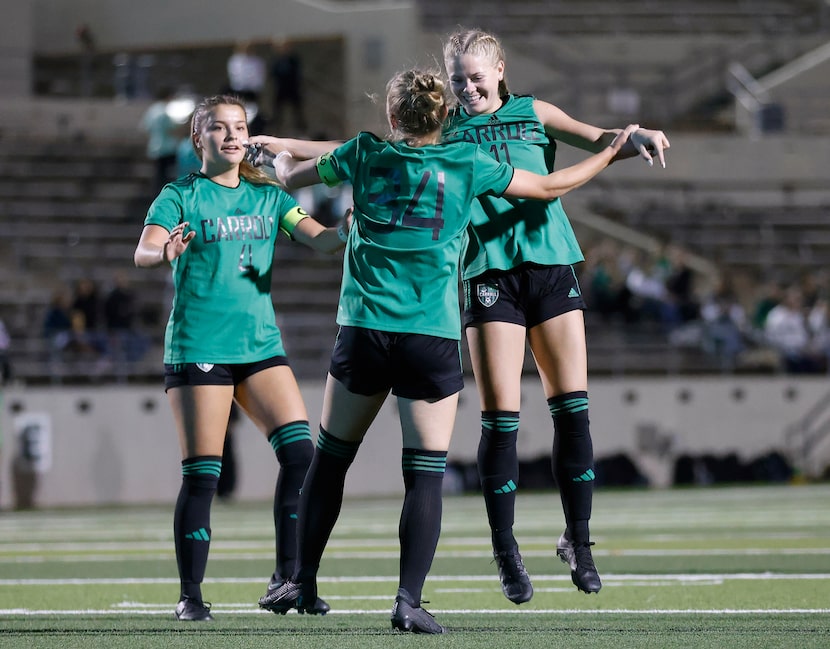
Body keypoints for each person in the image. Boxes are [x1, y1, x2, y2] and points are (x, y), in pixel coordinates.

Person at [247, 69, 636, 633]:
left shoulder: (364, 153)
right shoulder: (466, 164)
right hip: (429, 336)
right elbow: (549, 188)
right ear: (442, 118)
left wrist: (278, 156)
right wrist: (611, 153)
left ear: (390, 117)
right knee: (425, 475)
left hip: (363, 329)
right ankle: (407, 601)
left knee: (331, 459)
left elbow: (292, 175)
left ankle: (299, 580)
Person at [441, 28, 670, 603]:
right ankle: (506, 550)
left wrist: (636, 133)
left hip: (551, 266)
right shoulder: (443, 131)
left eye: (477, 75)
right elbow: (375, 148)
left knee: (573, 410)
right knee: (502, 419)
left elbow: (600, 137)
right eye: (458, 79)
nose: (468, 87)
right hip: (488, 273)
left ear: (498, 70)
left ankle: (581, 541)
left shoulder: (533, 111)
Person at [133, 94, 347, 622]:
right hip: (199, 348)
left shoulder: (269, 195)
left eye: (240, 126)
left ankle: (289, 580)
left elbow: (321, 243)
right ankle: (191, 595)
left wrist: (357, 226)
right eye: (219, 128)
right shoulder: (179, 194)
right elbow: (143, 251)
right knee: (203, 474)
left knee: (302, 458)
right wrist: (164, 253)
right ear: (197, 138)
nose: (232, 136)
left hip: (261, 349)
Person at [140, 87, 180, 193]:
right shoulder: (167, 111)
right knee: (170, 173)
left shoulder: (152, 110)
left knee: (159, 172)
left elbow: (145, 128)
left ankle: (157, 192)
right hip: (168, 146)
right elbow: (173, 128)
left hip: (154, 147)